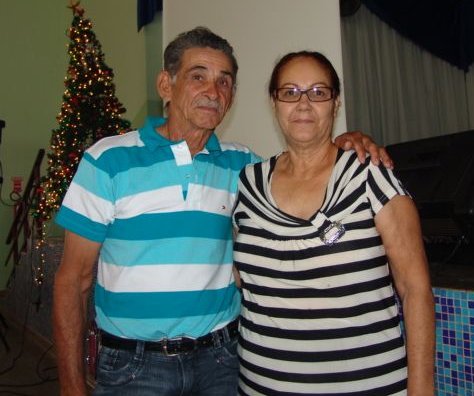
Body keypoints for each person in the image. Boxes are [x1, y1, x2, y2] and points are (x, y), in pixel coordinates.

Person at [52, 27, 393, 396]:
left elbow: (303, 169)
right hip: (134, 368)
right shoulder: (108, 160)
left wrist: (346, 143)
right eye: (198, 77)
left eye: (224, 82)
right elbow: (72, 281)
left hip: (222, 361)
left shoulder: (243, 167)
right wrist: (71, 386)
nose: (213, 92)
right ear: (166, 85)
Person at [233, 51, 435, 395]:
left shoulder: (371, 175)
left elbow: (415, 290)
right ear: (274, 102)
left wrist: (422, 389)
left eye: (318, 92)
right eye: (290, 92)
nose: (304, 103)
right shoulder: (248, 184)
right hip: (261, 385)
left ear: (335, 103)